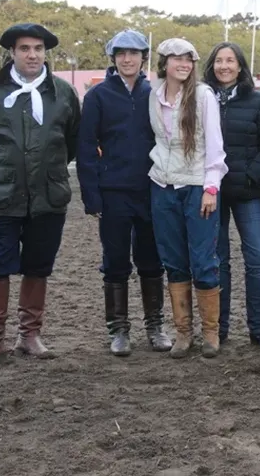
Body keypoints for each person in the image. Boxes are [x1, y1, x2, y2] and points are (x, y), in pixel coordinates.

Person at [0, 23, 81, 371]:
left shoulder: (63, 93)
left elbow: (71, 141)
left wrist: (49, 169)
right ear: (12, 52)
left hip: (48, 195)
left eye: (38, 49)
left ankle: (29, 335)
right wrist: (0, 170)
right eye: (25, 48)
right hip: (2, 196)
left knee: (37, 266)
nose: (32, 55)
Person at [76, 29, 172, 357]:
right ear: (113, 58)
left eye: (133, 53)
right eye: (121, 54)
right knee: (115, 261)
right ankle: (118, 329)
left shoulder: (155, 93)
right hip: (113, 191)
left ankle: (155, 325)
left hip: (151, 189)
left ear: (143, 57)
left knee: (151, 258)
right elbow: (87, 147)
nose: (127, 59)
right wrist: (92, 196)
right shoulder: (97, 96)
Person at [148, 38, 228, 358]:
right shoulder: (153, 96)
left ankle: (210, 333)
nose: (183, 64)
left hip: (197, 186)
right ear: (164, 63)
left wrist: (211, 187)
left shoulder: (204, 95)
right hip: (162, 185)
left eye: (189, 59)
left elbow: (215, 146)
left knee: (204, 261)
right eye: (176, 58)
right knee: (173, 260)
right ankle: (183, 333)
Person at [203, 41, 260, 348]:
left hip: (247, 192)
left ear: (240, 65)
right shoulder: (201, 99)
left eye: (230, 60)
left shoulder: (258, 102)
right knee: (219, 262)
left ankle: (258, 328)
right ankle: (218, 329)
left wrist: (252, 173)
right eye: (219, 61)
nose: (224, 66)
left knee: (257, 259)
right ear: (212, 66)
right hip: (212, 193)